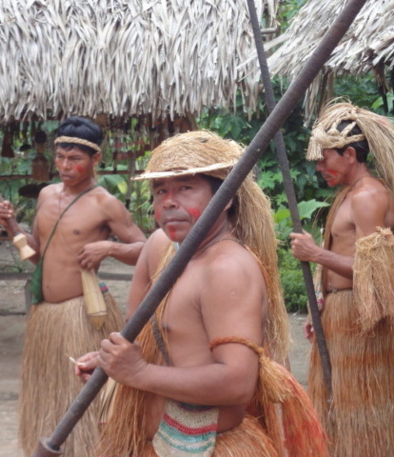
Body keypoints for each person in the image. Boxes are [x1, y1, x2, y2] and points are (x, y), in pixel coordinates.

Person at [75, 130, 328, 457]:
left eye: (185, 188)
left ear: (225, 198)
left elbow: (238, 382)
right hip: (151, 442)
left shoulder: (226, 269)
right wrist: (112, 364)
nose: (169, 201)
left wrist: (138, 373)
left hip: (208, 447)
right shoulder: (161, 249)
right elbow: (148, 342)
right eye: (160, 190)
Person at [289, 101, 394, 457]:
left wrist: (316, 255)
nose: (319, 166)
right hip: (342, 313)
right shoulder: (350, 195)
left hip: (362, 319)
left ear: (350, 153)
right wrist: (320, 305)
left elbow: (377, 274)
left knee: (363, 411)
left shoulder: (369, 196)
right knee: (338, 404)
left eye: (325, 157)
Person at [0, 116, 146, 457]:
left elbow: (148, 249)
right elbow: (37, 254)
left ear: (95, 159)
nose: (64, 166)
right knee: (51, 398)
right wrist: (10, 224)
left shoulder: (105, 203)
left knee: (90, 397)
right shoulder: (46, 195)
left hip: (84, 314)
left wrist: (111, 248)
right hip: (46, 316)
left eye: (74, 159)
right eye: (60, 157)